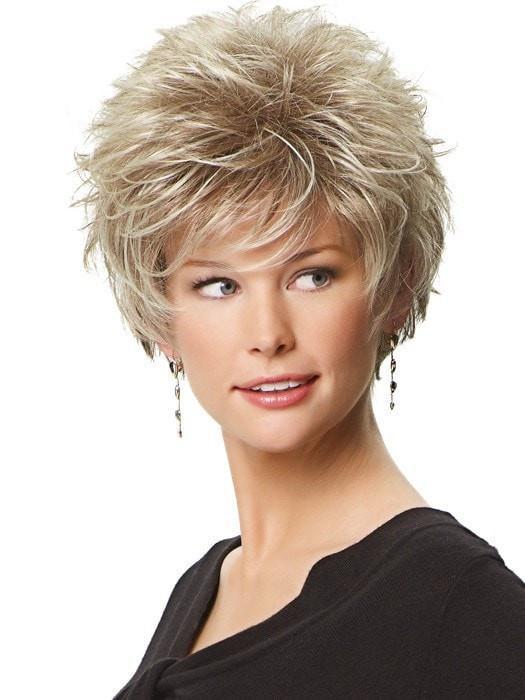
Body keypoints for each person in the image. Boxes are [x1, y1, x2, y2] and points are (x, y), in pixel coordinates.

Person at [71, 2, 525, 697]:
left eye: (312, 276)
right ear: (161, 316)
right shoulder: (207, 585)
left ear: (395, 288)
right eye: (219, 285)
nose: (268, 333)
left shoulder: (462, 610)